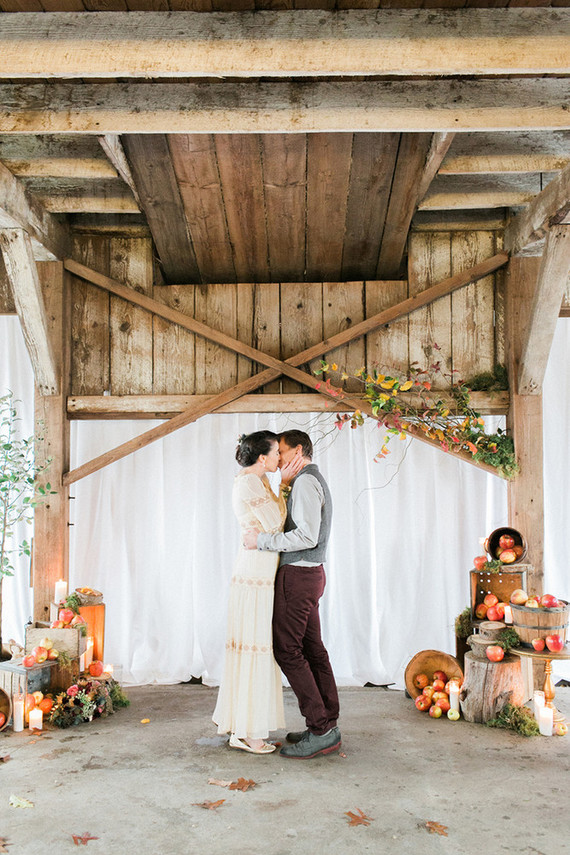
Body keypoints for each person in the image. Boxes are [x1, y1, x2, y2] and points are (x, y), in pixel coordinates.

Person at [243, 430, 340, 759]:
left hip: (298, 575)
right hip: (309, 575)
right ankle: (327, 724)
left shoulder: (305, 483)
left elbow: (307, 536)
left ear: (299, 449)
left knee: (288, 651)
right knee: (312, 650)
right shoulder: (307, 481)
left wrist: (262, 542)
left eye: (282, 451)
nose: (279, 458)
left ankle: (321, 728)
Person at [212, 430, 302, 755]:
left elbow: (272, 524)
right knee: (254, 648)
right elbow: (276, 524)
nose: (281, 457)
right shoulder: (250, 482)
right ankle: (249, 733)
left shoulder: (258, 481)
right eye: (277, 452)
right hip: (254, 573)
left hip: (261, 569)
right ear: (263, 457)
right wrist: (284, 487)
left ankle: (244, 727)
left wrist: (278, 488)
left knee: (257, 647)